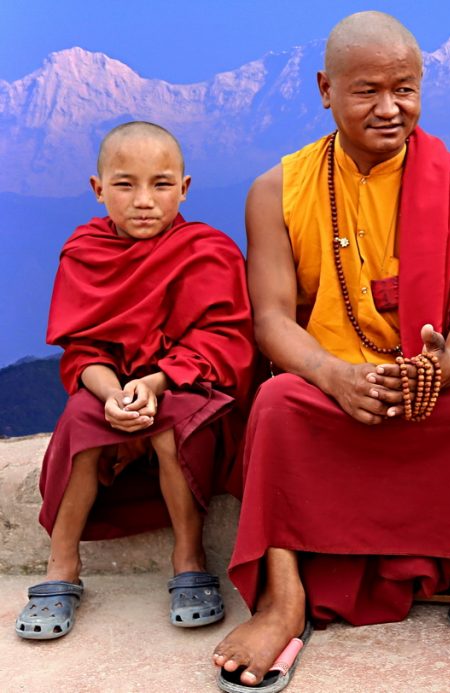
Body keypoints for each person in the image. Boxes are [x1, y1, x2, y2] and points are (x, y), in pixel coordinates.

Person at [212, 11, 450, 690]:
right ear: (324, 89)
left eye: (404, 88)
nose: (388, 107)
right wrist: (335, 374)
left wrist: (444, 365)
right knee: (278, 401)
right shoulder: (276, 190)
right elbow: (274, 322)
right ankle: (283, 595)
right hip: (327, 390)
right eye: (366, 90)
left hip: (422, 391)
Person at [15, 121, 255, 640]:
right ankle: (62, 566)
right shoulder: (85, 251)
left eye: (161, 184)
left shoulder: (207, 251)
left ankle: (188, 557)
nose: (144, 201)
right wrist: (113, 395)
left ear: (185, 188)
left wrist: (154, 383)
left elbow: (225, 343)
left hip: (185, 388)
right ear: (98, 189)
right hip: (111, 387)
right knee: (81, 423)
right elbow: (82, 351)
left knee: (169, 426)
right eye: (125, 184)